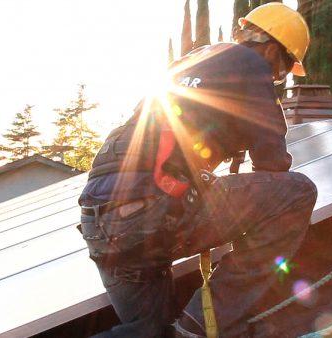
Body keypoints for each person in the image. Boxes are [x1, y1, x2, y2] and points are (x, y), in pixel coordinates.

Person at [78, 3, 317, 337]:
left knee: (152, 332)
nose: (279, 78)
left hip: (100, 228)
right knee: (298, 191)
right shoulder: (251, 64)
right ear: (271, 49)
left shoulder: (191, 61)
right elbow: (273, 165)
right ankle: (201, 323)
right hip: (150, 212)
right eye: (284, 69)